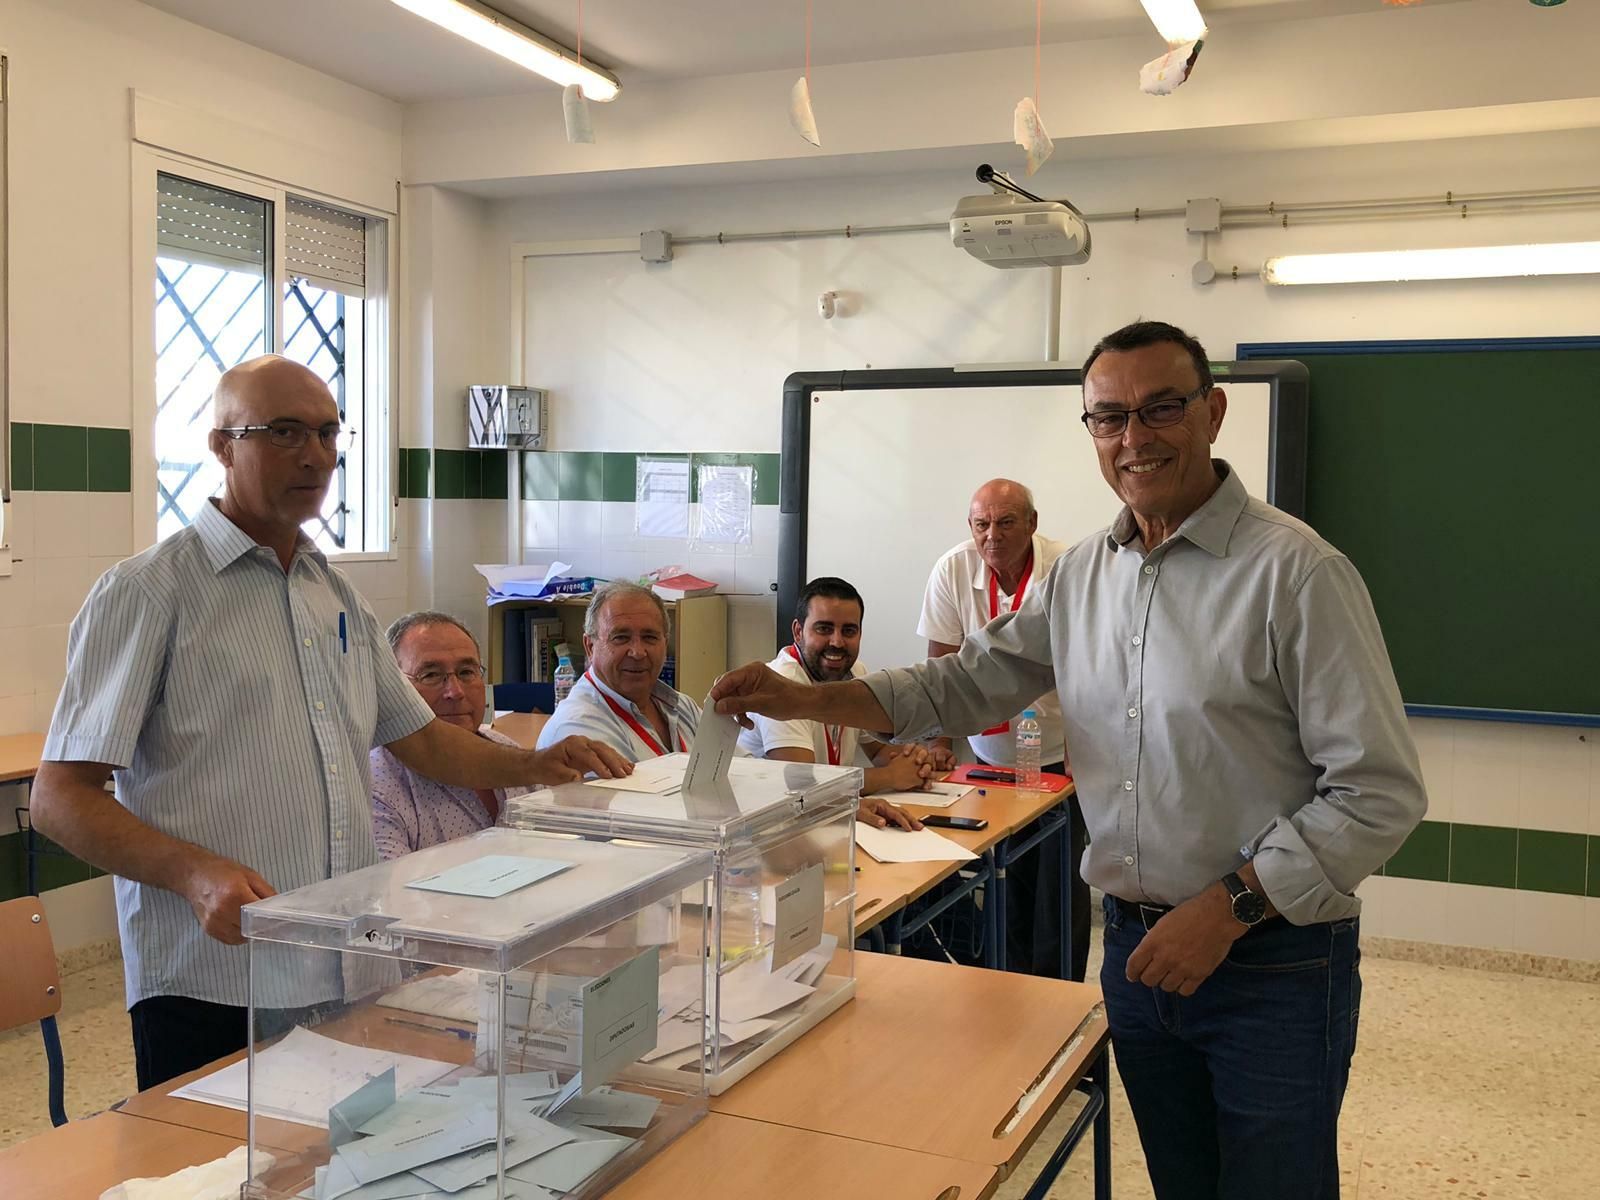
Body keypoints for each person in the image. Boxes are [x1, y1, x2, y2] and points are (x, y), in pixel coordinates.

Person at [711, 320, 1427, 1200]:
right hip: (1133, 950)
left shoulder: (1298, 575)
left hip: (1270, 964)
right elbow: (965, 684)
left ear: (1214, 411)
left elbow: (1378, 793)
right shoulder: (1085, 574)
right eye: (1108, 417)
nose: (1135, 437)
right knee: (1183, 1184)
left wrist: (1230, 907)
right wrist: (804, 697)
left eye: (1161, 408)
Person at [30, 355, 629, 1090]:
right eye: (283, 432)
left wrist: (534, 765)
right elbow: (60, 798)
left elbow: (420, 740)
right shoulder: (150, 591)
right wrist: (192, 872)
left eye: (326, 432)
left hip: (344, 961)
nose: (314, 454)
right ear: (221, 446)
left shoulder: (334, 593)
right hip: (215, 979)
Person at [919, 477, 1088, 981]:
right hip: (988, 758)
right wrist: (937, 745)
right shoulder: (953, 569)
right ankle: (1009, 987)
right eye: (981, 524)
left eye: (1006, 521)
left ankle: (1060, 991)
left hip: (1061, 752)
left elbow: (1091, 668)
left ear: (1032, 524)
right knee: (1004, 875)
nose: (992, 534)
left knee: (1060, 881)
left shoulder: (1067, 566)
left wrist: (1086, 750)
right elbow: (940, 670)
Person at [736, 576, 943, 830]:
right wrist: (890, 776)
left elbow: (879, 750)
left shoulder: (855, 670)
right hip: (774, 829)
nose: (836, 642)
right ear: (798, 632)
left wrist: (915, 763)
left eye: (848, 631)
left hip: (826, 817)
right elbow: (804, 785)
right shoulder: (783, 683)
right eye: (824, 629)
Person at [370, 611, 530, 858]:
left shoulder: (509, 751)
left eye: (467, 672)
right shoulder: (378, 786)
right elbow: (390, 892)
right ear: (392, 689)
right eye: (431, 675)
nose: (455, 692)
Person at [536, 581, 702, 759]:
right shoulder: (579, 727)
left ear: (665, 643)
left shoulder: (682, 706)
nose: (637, 652)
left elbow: (732, 768)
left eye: (649, 637)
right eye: (621, 637)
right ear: (590, 647)